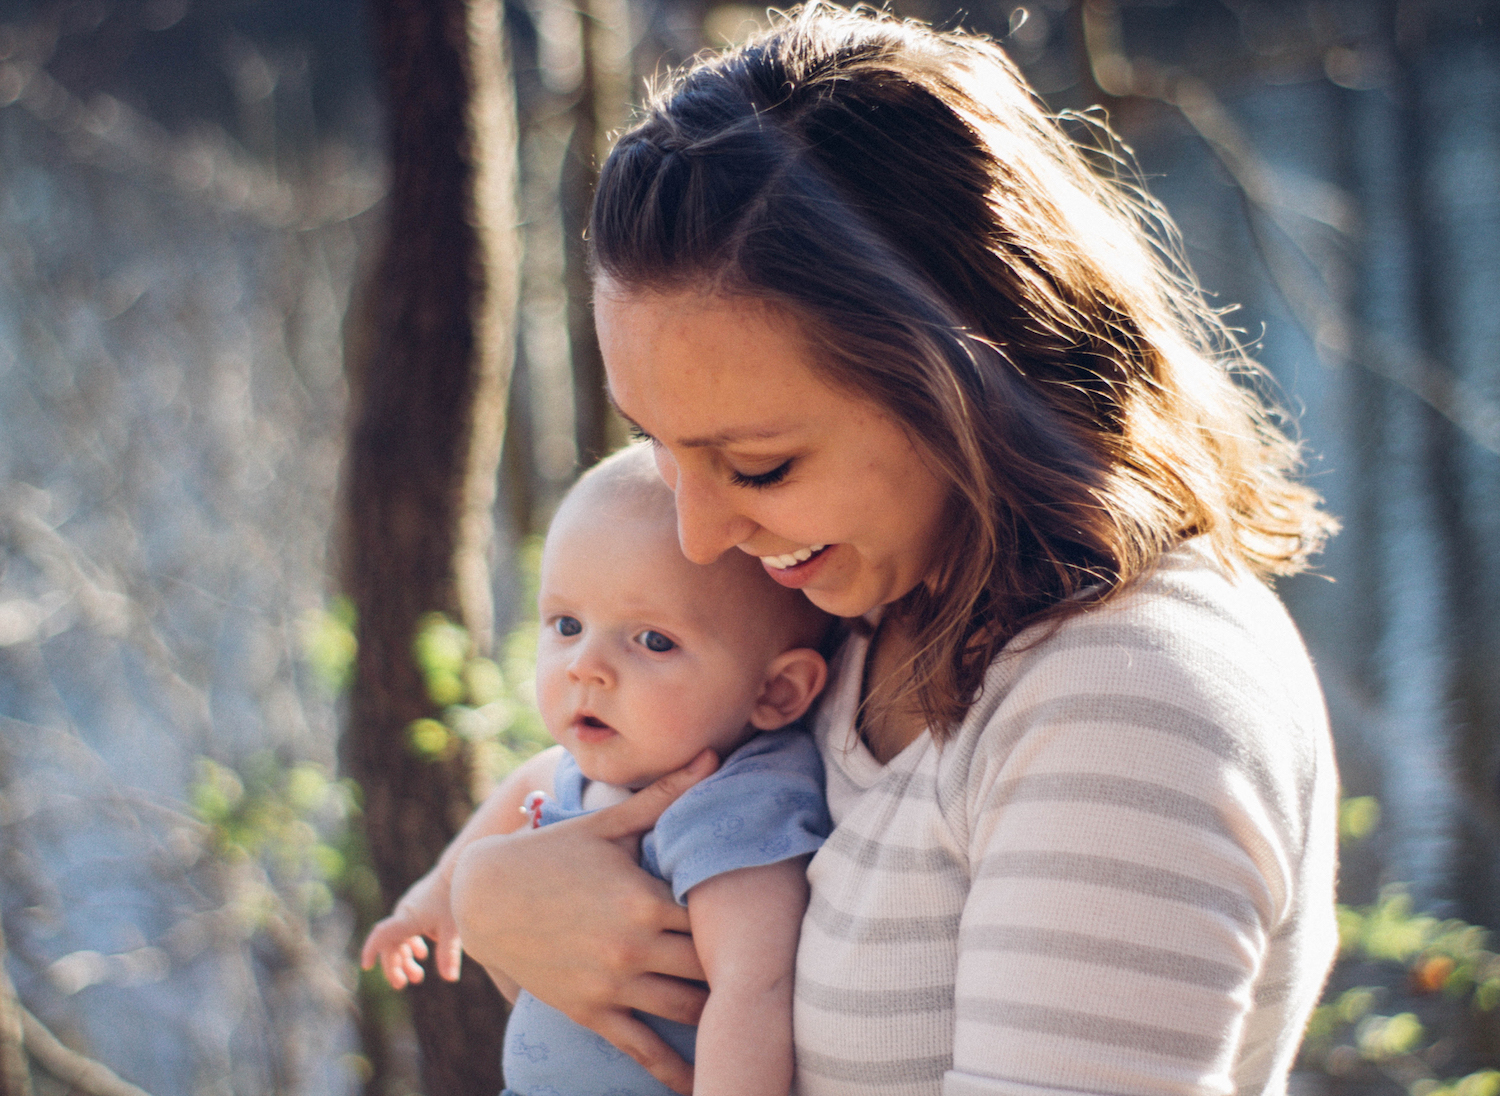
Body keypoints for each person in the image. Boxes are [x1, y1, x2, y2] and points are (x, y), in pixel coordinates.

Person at [444, 5, 1342, 1096]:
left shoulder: (1125, 698)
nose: (698, 534)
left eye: (760, 466)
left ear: (969, 380)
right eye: (657, 446)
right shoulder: (866, 607)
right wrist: (495, 896)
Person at [362, 445, 834, 1096]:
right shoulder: (577, 771)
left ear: (777, 692)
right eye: (567, 624)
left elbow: (754, 991)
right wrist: (429, 902)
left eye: (653, 640)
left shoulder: (735, 806)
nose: (586, 665)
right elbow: (522, 785)